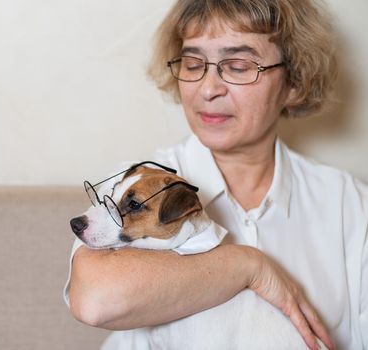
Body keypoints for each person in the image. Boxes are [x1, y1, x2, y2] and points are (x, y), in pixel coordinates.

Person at [64, 0, 367, 349]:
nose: (208, 89)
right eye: (193, 64)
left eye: (238, 66)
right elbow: (95, 299)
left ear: (293, 82)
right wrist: (247, 266)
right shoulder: (137, 184)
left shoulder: (351, 207)